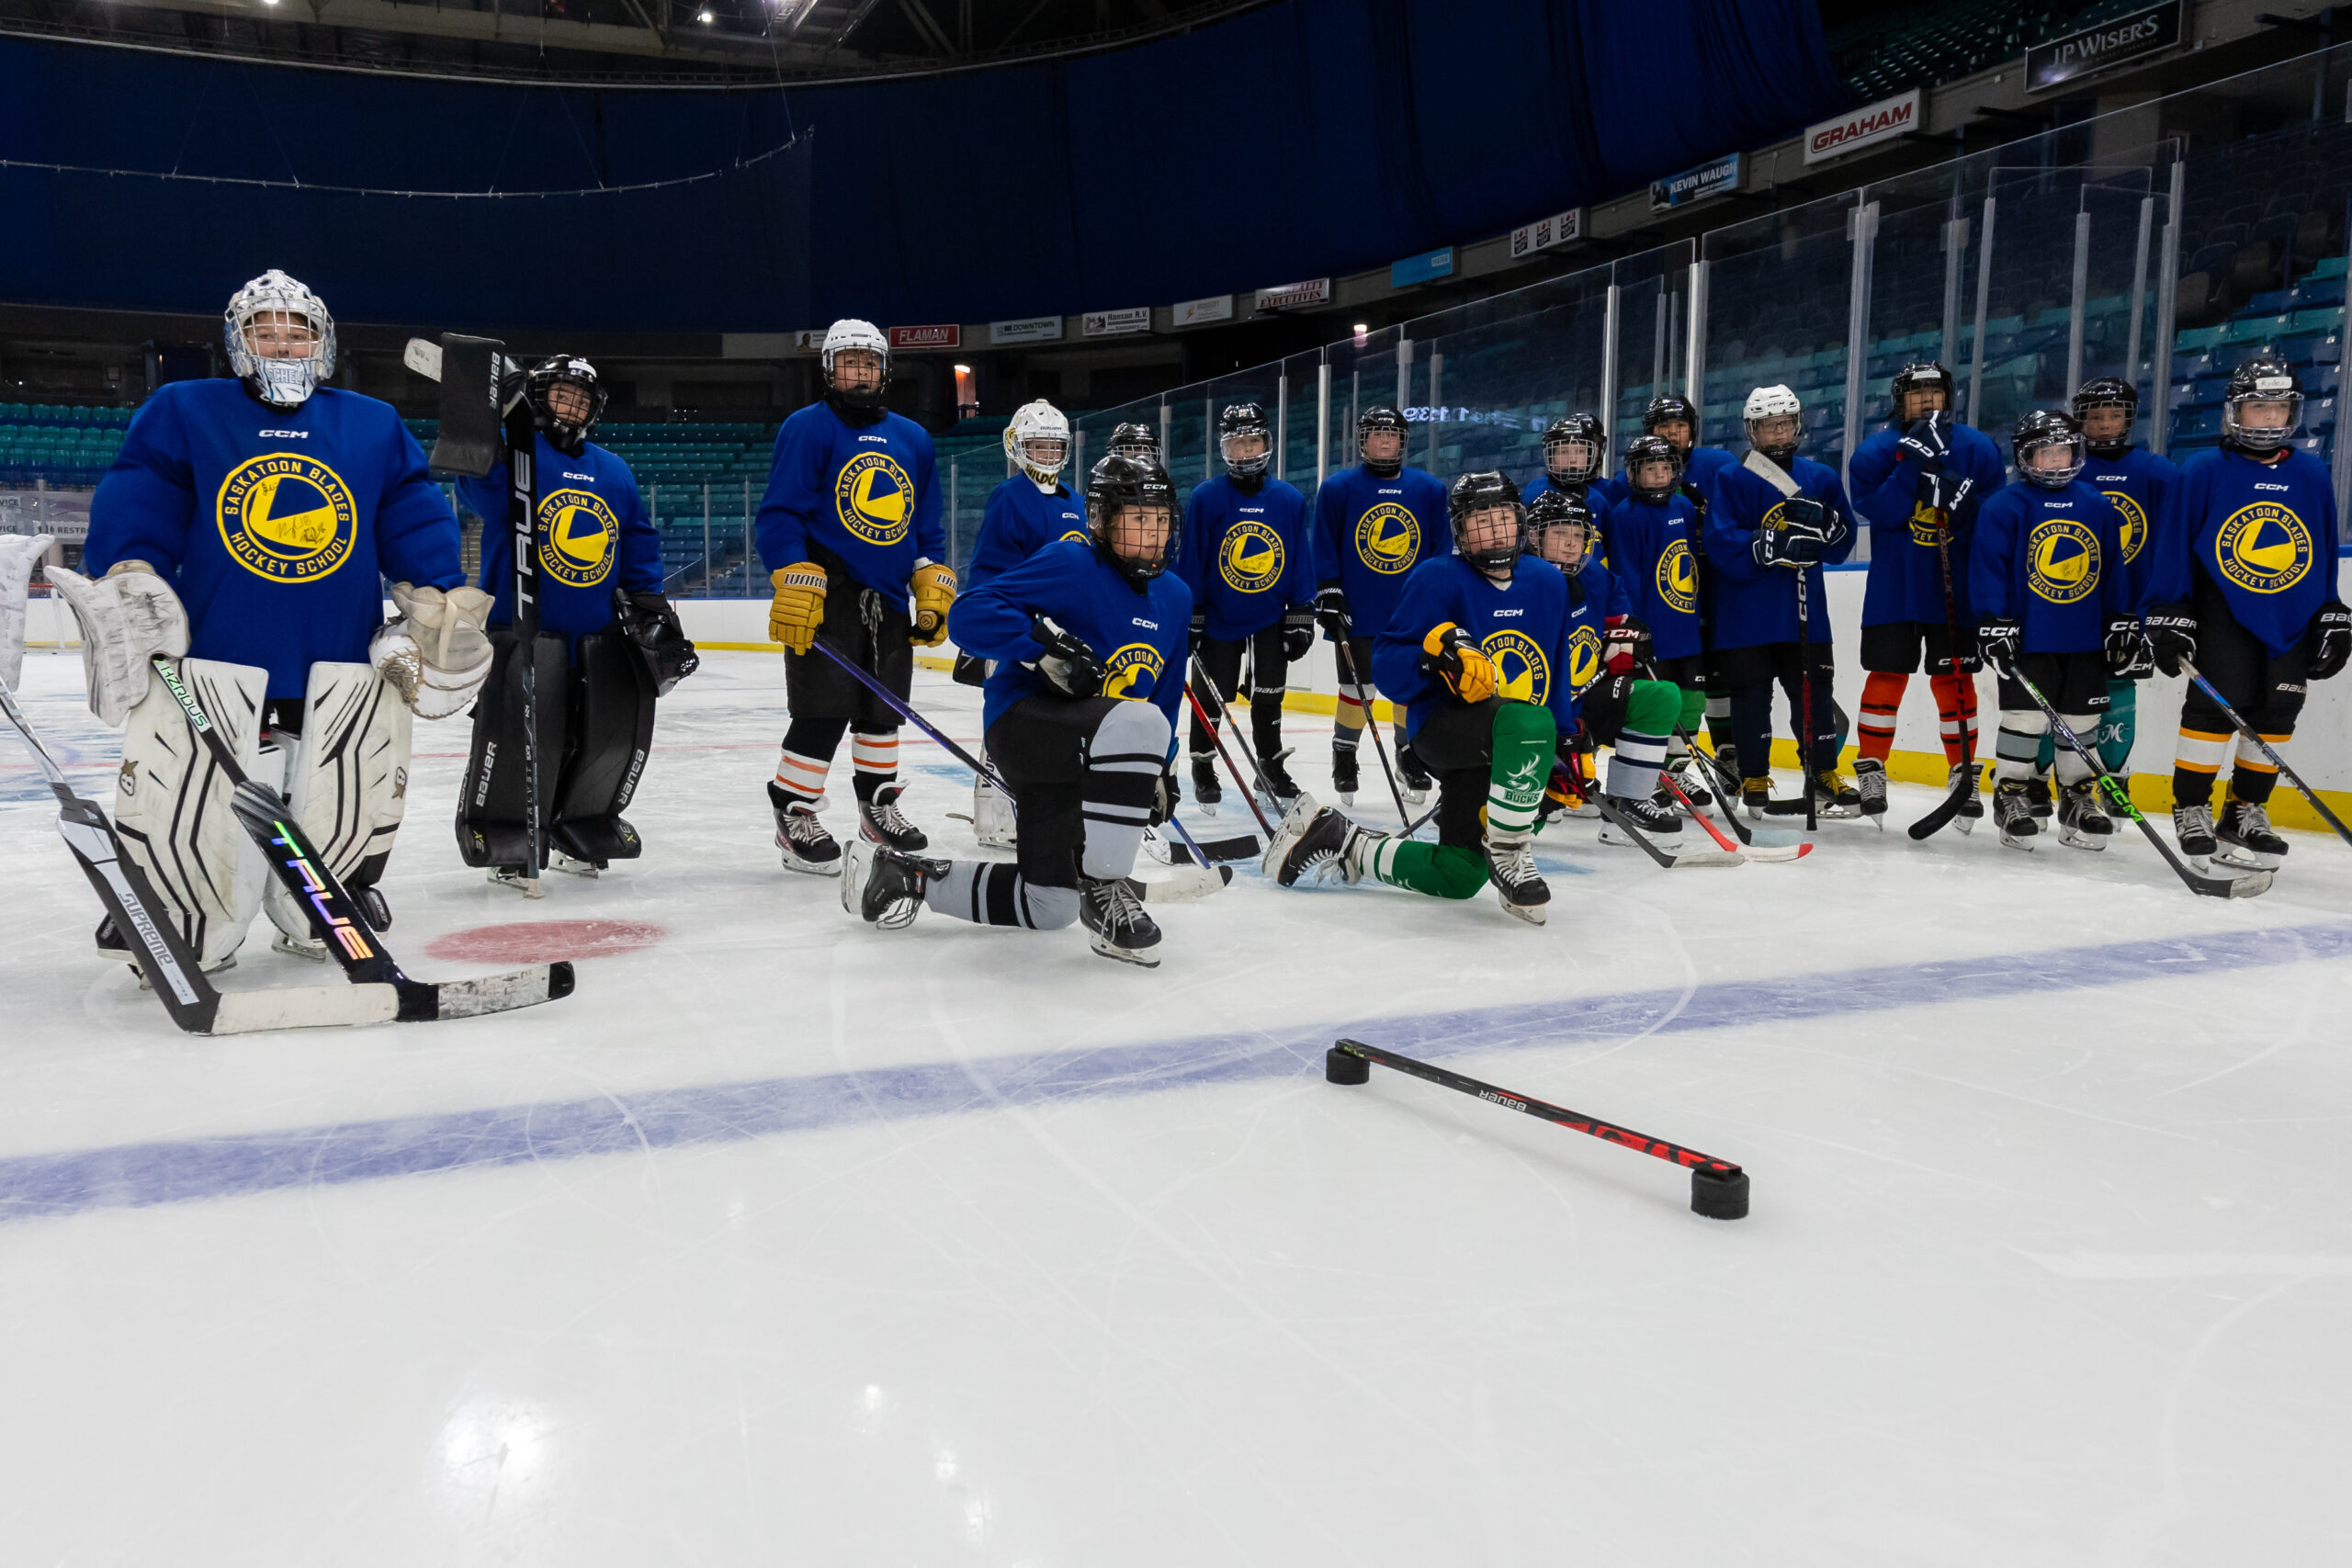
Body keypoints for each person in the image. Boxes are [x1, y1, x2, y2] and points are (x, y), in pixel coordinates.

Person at [53, 267, 484, 971]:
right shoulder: (185, 408)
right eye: (265, 331)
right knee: (187, 792)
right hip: (215, 656)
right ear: (237, 341)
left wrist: (436, 597)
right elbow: (141, 492)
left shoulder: (371, 422)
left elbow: (410, 508)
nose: (282, 345)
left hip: (336, 657)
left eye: (297, 332)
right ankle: (174, 902)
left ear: (323, 341)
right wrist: (130, 571)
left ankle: (331, 899)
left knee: (342, 792)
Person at [841, 455, 1191, 967]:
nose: (1153, 533)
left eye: (1160, 520)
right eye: (1138, 519)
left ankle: (903, 876)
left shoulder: (1175, 596)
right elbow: (969, 614)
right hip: (1026, 724)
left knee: (1049, 904)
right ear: (1101, 519)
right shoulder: (1072, 563)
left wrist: (1162, 765)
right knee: (1138, 724)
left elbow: (1164, 693)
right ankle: (1107, 886)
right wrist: (1040, 647)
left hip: (1090, 754)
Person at [1262, 471, 1576, 926]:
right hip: (1444, 730)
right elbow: (1387, 662)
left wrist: (1567, 740)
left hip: (1512, 748)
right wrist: (1433, 661)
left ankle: (1344, 840)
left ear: (1521, 521)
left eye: (1502, 518)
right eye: (1479, 522)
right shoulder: (1435, 577)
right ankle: (1510, 849)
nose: (1493, 532)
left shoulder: (1548, 581)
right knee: (1529, 724)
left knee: (1460, 876)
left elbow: (1558, 664)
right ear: (1459, 531)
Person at [453, 355, 692, 888]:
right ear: (537, 398)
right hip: (524, 625)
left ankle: (579, 821)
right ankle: (506, 826)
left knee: (605, 734)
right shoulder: (513, 455)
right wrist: (487, 417)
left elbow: (637, 539)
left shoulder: (613, 469)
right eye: (562, 394)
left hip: (599, 630)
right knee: (522, 735)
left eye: (581, 399)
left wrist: (649, 604)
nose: (572, 406)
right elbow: (473, 488)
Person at [756, 318, 951, 874]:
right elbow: (781, 514)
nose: (860, 373)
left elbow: (926, 526)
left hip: (889, 598)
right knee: (821, 710)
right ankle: (793, 811)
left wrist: (929, 578)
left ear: (884, 371)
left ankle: (878, 806)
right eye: (849, 364)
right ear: (830, 371)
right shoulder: (808, 428)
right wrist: (793, 571)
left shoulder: (913, 438)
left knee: (883, 712)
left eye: (869, 364)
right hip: (829, 591)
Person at [2144, 357, 2348, 869]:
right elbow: (2174, 542)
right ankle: (2191, 806)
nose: (2271, 418)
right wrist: (2170, 609)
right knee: (2216, 707)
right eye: (2259, 408)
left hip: (2292, 613)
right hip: (2222, 610)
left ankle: (2244, 811)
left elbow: (2321, 548)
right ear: (2234, 412)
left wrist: (2330, 609)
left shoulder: (2310, 471)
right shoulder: (2203, 468)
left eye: (2279, 407)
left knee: (2278, 710)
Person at [1845, 361, 2008, 830]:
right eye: (1917, 394)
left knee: (1955, 681)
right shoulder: (1876, 451)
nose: (1927, 400)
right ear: (1900, 401)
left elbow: (1993, 516)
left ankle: (1963, 774)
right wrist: (1913, 466)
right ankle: (1873, 770)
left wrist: (1963, 503)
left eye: (1935, 391)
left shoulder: (1976, 448)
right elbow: (1879, 511)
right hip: (1895, 588)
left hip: (1954, 589)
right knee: (1886, 677)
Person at [1970, 411, 2140, 852]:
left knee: (2082, 721)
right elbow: (1989, 568)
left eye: (2063, 450)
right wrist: (1994, 622)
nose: (2056, 460)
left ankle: (2078, 797)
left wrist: (2120, 619)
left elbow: (2112, 569)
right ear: (2026, 457)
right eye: (2045, 453)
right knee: (2025, 720)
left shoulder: (2096, 504)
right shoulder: (2004, 506)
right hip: (2030, 637)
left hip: (2082, 635)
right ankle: (2011, 794)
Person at [1702, 385, 1858, 818]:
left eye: (1785, 423)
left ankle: (1823, 771)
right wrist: (1770, 543)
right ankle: (1754, 775)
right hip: (1745, 614)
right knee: (1750, 697)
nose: (1778, 432)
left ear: (1797, 424)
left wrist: (1827, 526)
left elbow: (1843, 541)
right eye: (1769, 426)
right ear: (1753, 430)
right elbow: (1719, 541)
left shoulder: (1820, 477)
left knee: (1813, 693)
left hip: (1802, 611)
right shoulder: (1731, 478)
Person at [956, 400, 1088, 849]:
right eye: (1040, 445)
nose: (1049, 454)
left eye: (1056, 446)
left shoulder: (1075, 501)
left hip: (1063, 637)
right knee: (1008, 720)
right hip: (1023, 634)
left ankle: (1031, 807)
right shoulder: (1009, 496)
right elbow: (991, 573)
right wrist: (1013, 629)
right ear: (1017, 446)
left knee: (1047, 726)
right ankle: (993, 817)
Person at [1175, 401, 1314, 809]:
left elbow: (1299, 556)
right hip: (1219, 617)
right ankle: (1203, 764)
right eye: (1238, 444)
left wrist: (1301, 610)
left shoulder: (1288, 498)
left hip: (1271, 617)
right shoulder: (1206, 497)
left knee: (1270, 694)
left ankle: (1269, 765)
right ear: (1225, 449)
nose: (1246, 452)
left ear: (1266, 443)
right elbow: (1194, 558)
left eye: (1253, 442)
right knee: (1210, 696)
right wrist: (1193, 610)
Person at [1521, 489, 1681, 842]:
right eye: (1560, 533)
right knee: (1517, 824)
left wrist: (1628, 638)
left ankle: (1629, 800)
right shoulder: (1517, 581)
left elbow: (1619, 615)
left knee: (1660, 695)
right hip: (1528, 712)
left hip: (1583, 697)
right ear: (1534, 535)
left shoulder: (1595, 574)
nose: (1571, 544)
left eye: (1579, 535)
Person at [1309, 404, 1448, 806]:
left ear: (1404, 442)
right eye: (1376, 435)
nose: (1384, 441)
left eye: (1392, 435)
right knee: (1357, 687)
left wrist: (1441, 596)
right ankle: (1345, 755)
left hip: (1412, 611)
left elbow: (1441, 549)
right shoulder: (1338, 488)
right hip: (1359, 607)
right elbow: (1325, 544)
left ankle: (1409, 756)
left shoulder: (1429, 489)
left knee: (1410, 687)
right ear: (1362, 441)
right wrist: (1329, 589)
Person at [2066, 376, 2177, 775]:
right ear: (2081, 421)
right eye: (2096, 416)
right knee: (2059, 691)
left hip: (2130, 606)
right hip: (2070, 603)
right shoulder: (2065, 468)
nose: (2106, 424)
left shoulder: (2158, 472)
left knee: (2119, 685)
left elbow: (2174, 540)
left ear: (2129, 419)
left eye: (2115, 415)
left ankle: (2115, 775)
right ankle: (2049, 779)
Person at [1605, 434, 1715, 807]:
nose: (1658, 475)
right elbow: (1627, 578)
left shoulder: (1684, 508)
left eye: (1665, 468)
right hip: (1652, 634)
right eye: (1649, 469)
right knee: (1658, 708)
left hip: (1686, 628)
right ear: (1635, 474)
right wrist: (1635, 629)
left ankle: (1673, 774)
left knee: (1693, 704)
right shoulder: (1625, 516)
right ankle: (1648, 778)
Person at [1522, 412, 1626, 518]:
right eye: (1563, 451)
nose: (1572, 459)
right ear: (1551, 455)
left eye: (1580, 451)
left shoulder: (1599, 502)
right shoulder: (1532, 495)